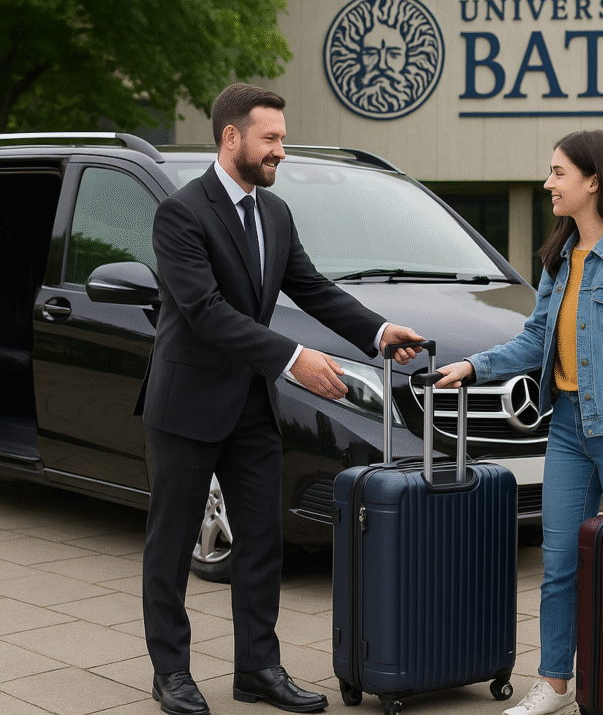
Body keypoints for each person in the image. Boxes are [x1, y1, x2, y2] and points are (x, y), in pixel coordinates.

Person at [136, 83, 423, 715]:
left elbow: (312, 289)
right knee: (171, 543)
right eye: (270, 139)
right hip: (186, 407)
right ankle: (172, 674)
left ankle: (258, 669)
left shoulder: (275, 213)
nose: (280, 152)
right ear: (231, 137)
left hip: (251, 407)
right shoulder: (181, 214)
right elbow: (205, 311)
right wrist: (293, 359)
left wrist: (378, 331)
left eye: (282, 139)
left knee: (263, 541)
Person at [434, 130, 603, 715]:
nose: (549, 183)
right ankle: (556, 683)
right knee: (561, 562)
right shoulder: (559, 258)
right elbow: (538, 338)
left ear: (594, 181)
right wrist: (476, 365)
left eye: (558, 172)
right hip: (567, 427)